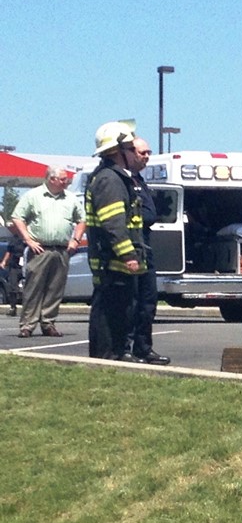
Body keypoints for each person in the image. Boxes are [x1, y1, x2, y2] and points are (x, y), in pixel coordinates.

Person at [86, 121, 147, 361]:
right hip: (112, 262)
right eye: (130, 147)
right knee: (110, 311)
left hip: (116, 262)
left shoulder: (118, 178)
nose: (134, 152)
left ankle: (119, 352)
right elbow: (113, 224)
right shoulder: (110, 180)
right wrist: (128, 255)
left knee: (123, 310)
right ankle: (107, 355)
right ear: (117, 151)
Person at [9, 166, 86, 338]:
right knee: (33, 287)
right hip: (40, 249)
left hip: (62, 249)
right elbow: (17, 217)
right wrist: (28, 239)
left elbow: (82, 219)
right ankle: (27, 325)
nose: (66, 182)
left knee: (55, 288)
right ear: (51, 179)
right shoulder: (33, 196)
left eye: (66, 179)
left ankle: (48, 322)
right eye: (63, 179)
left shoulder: (70, 198)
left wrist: (76, 239)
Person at [125, 138, 170, 365]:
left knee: (148, 300)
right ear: (130, 153)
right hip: (131, 246)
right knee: (131, 302)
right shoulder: (121, 180)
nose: (146, 156)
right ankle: (126, 348)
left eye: (149, 153)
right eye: (143, 152)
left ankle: (144, 348)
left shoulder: (140, 180)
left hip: (145, 245)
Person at [1, 219, 27, 317]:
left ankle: (28, 309)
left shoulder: (29, 238)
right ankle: (13, 307)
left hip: (27, 265)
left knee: (29, 287)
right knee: (13, 287)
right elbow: (9, 251)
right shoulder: (15, 238)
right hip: (14, 266)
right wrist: (4, 261)